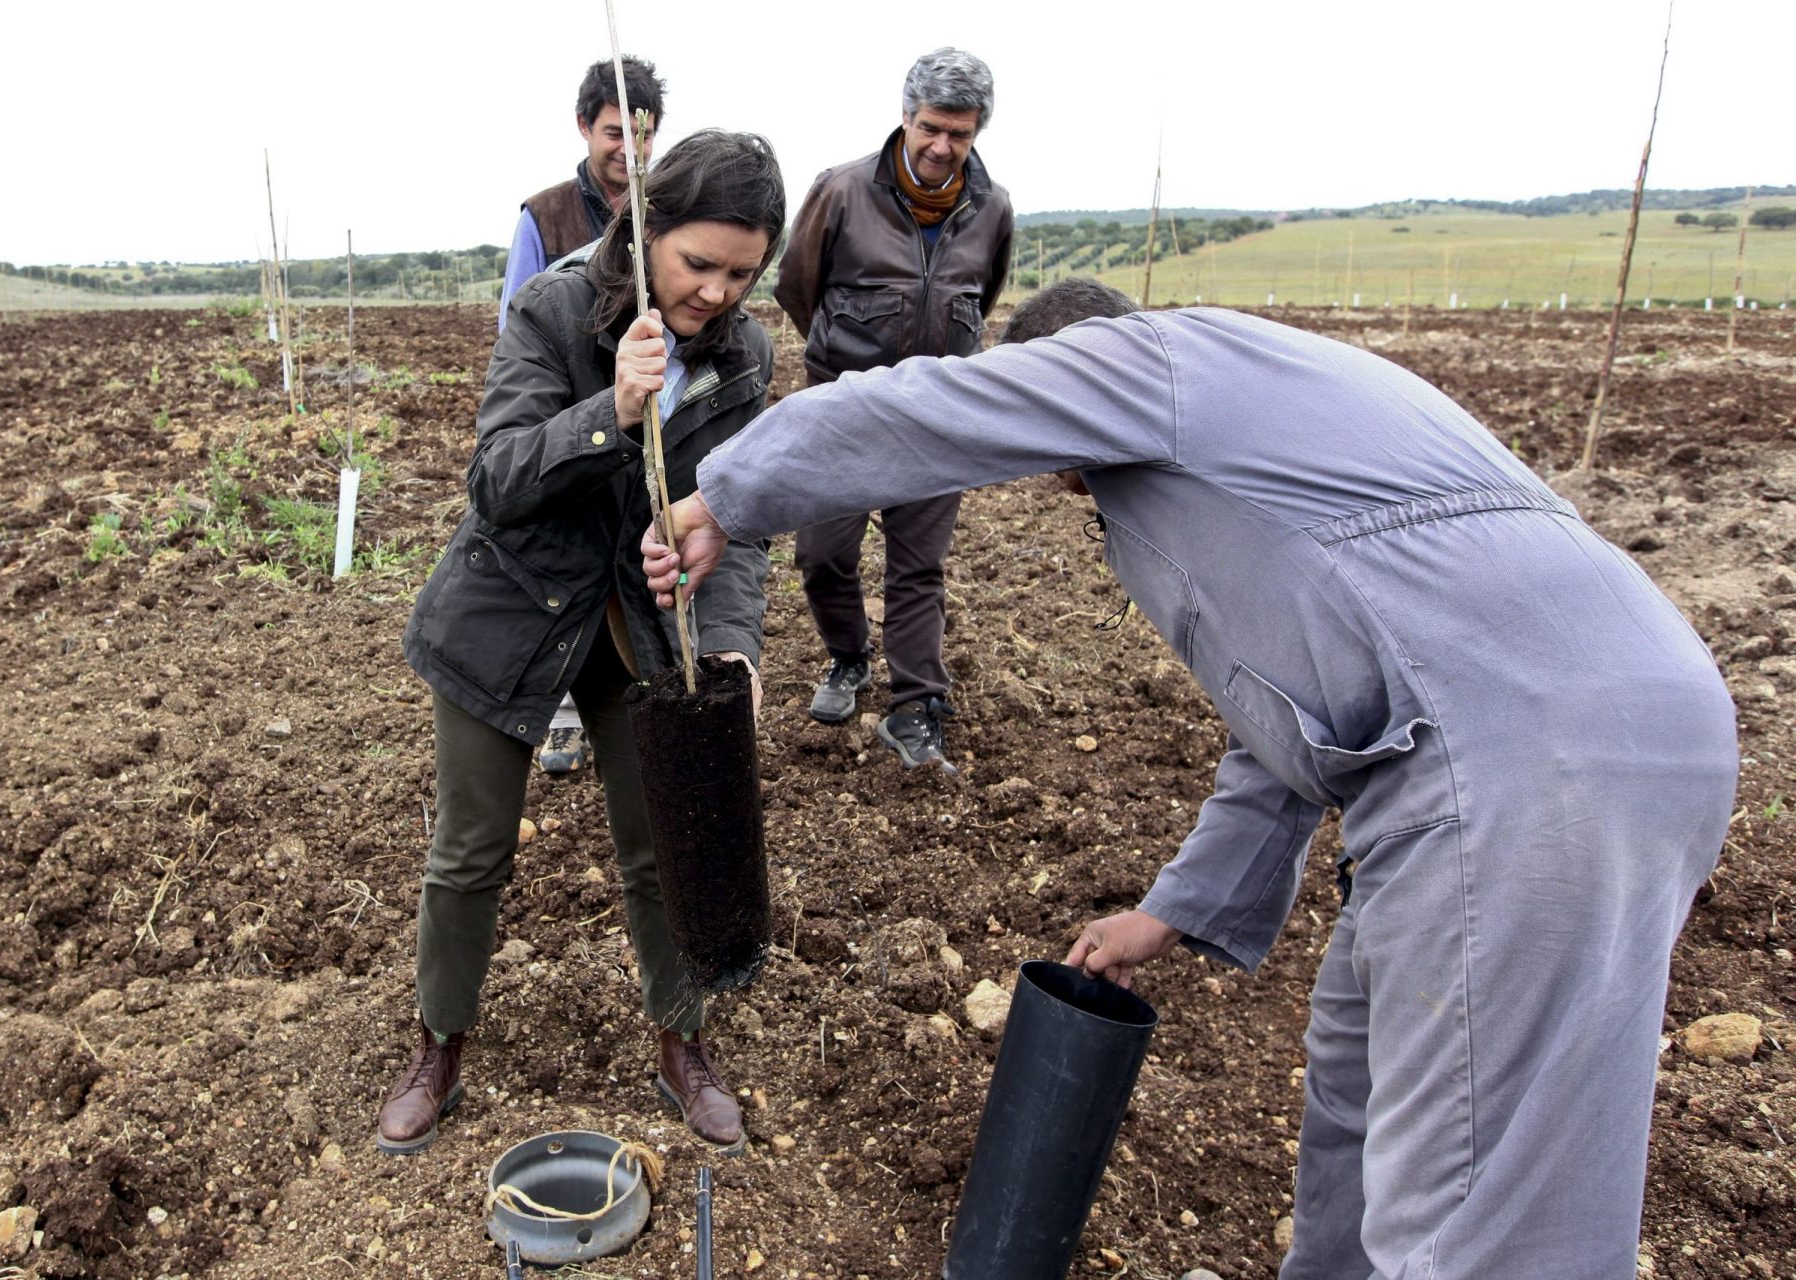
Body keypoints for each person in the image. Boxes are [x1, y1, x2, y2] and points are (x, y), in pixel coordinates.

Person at [645, 280, 1739, 1278]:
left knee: (1479, 1216)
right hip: (1592, 719)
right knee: (1360, 1086)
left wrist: (729, 497)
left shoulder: (1149, 360)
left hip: (1516, 762)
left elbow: (926, 407)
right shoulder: (1282, 395)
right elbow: (1296, 722)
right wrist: (1171, 912)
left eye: (1062, 461)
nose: (1066, 483)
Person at [378, 130, 787, 1159]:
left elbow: (739, 514)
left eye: (743, 273)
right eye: (698, 264)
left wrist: (727, 637)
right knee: (470, 850)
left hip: (645, 626)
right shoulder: (553, 308)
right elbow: (499, 480)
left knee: (666, 844)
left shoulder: (746, 354)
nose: (716, 293)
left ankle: (681, 1037)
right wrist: (611, 408)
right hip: (511, 616)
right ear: (649, 227)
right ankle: (439, 1043)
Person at [773, 47, 1013, 771]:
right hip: (844, 413)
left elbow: (983, 297)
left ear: (977, 134)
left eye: (960, 134)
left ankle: (915, 708)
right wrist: (849, 354)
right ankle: (849, 658)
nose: (943, 146)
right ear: (906, 118)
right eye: (932, 127)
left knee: (918, 570)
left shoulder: (992, 208)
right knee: (822, 556)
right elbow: (796, 288)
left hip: (937, 421)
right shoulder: (842, 192)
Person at [499, 55, 668, 775]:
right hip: (566, 420)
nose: (628, 152)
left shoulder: (667, 212)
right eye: (613, 134)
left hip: (641, 424)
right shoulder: (544, 216)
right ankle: (559, 712)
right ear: (584, 128)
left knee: (632, 559)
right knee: (560, 560)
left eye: (643, 137)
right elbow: (515, 324)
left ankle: (628, 702)